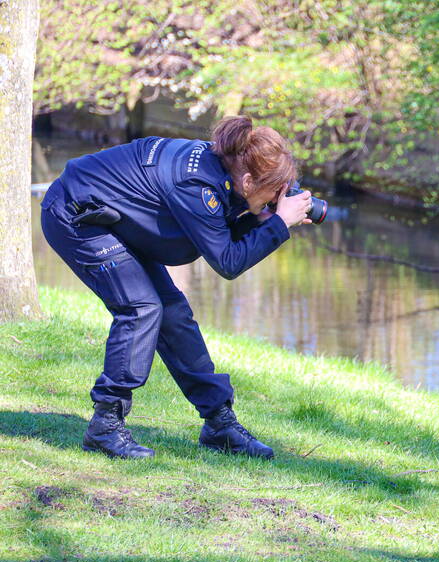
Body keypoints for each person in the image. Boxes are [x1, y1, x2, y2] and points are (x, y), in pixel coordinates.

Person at [39, 116, 313, 460]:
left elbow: (218, 233)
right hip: (75, 214)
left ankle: (219, 424)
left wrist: (265, 216)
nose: (278, 199)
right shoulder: (196, 187)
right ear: (247, 180)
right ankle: (105, 426)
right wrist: (278, 225)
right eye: (275, 191)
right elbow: (227, 261)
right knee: (141, 308)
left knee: (173, 313)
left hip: (114, 216)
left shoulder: (223, 170)